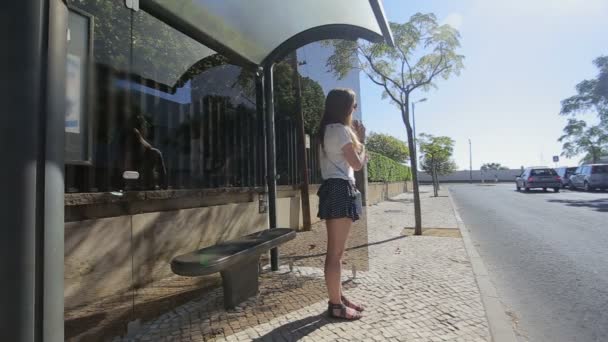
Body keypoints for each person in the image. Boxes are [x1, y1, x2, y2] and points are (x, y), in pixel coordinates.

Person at [317, 88, 369, 320]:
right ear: (345, 107)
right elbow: (357, 165)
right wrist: (363, 142)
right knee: (335, 254)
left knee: (336, 253)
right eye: (353, 105)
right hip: (340, 188)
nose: (355, 109)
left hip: (333, 188)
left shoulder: (327, 130)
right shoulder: (340, 130)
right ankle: (336, 305)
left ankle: (339, 296)